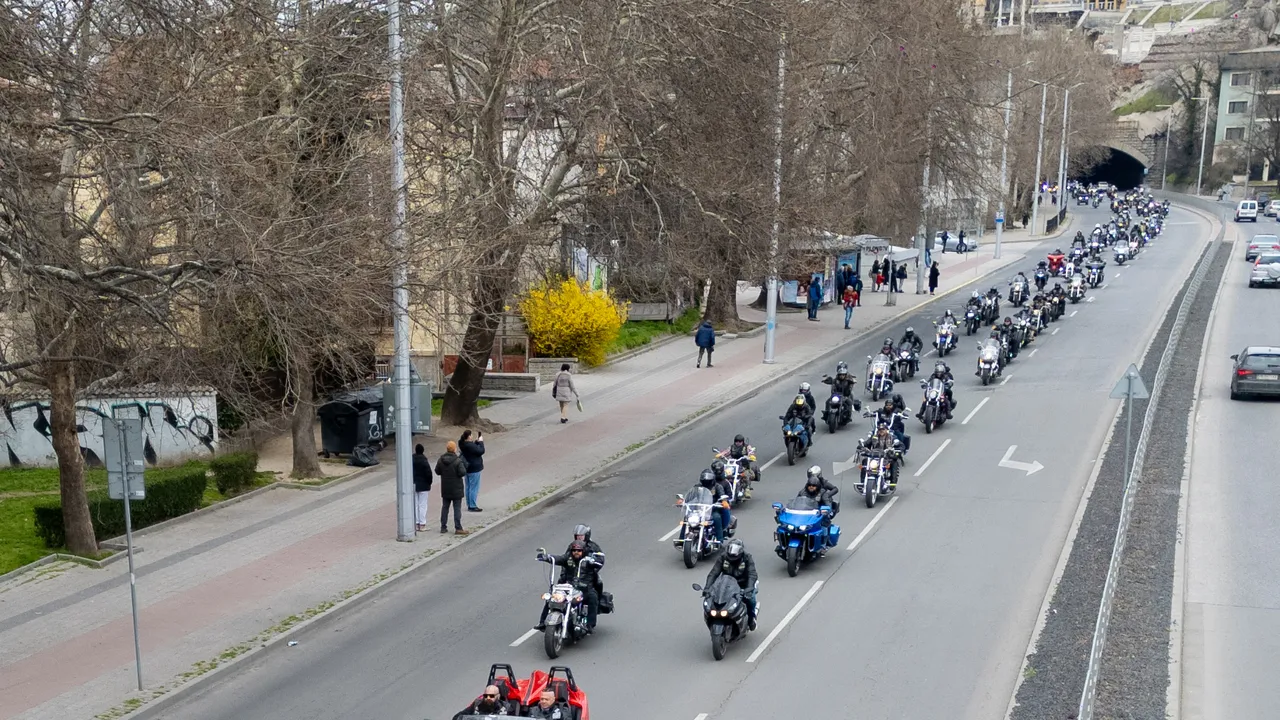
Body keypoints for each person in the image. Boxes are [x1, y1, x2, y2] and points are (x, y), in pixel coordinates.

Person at [535, 524, 606, 630]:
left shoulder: (593, 547)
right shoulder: (571, 550)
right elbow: (562, 558)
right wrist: (547, 557)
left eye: (581, 536)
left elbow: (600, 560)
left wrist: (593, 563)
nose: (576, 552)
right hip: (569, 582)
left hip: (585, 582)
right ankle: (543, 622)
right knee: (552, 596)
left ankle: (590, 624)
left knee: (593, 597)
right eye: (577, 536)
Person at [704, 539, 759, 631]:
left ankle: (751, 619)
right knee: (715, 601)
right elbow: (714, 573)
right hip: (726, 585)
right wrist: (707, 588)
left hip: (743, 586)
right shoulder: (723, 557)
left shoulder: (747, 558)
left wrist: (749, 589)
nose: (732, 556)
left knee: (751, 600)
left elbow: (752, 574)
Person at [434, 441, 469, 535]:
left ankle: (443, 527)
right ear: (454, 449)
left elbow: (437, 471)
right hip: (456, 488)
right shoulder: (457, 461)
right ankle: (458, 528)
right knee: (457, 508)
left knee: (445, 507)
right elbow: (462, 472)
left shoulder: (441, 460)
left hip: (445, 488)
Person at [459, 429, 485, 513]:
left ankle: (469, 503)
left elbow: (474, 448)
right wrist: (481, 442)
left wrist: (476, 442)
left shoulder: (463, 444)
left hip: (467, 468)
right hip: (474, 468)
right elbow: (480, 451)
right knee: (474, 487)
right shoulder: (469, 446)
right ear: (469, 436)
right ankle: (472, 505)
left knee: (468, 486)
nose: (472, 436)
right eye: (471, 435)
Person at [412, 444, 432, 532]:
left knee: (415, 505)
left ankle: (416, 524)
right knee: (423, 505)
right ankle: (422, 524)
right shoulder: (424, 461)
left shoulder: (411, 460)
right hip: (423, 485)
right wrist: (429, 482)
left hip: (414, 484)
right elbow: (429, 473)